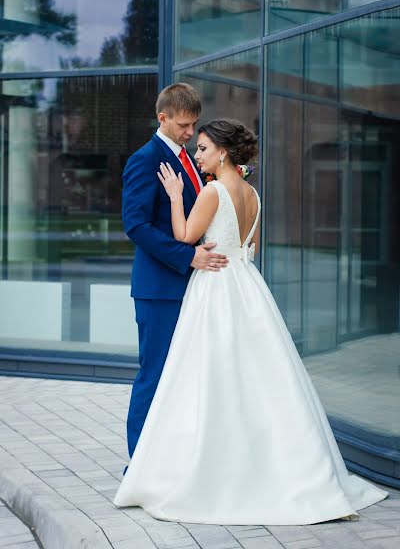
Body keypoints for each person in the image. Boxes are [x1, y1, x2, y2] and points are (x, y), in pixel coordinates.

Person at [114, 118, 388, 525]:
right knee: (259, 375)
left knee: (206, 376)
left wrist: (175, 197)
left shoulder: (211, 191)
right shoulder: (253, 194)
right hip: (247, 285)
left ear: (222, 152)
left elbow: (185, 236)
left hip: (215, 288)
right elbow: (251, 248)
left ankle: (211, 464)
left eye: (204, 148)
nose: (198, 155)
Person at [122, 83, 228, 461]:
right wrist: (187, 258)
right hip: (160, 290)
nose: (190, 132)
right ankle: (139, 466)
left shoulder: (191, 160)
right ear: (162, 117)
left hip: (195, 288)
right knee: (154, 377)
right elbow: (135, 225)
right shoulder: (144, 160)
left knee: (186, 378)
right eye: (183, 125)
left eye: (194, 124)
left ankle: (174, 458)